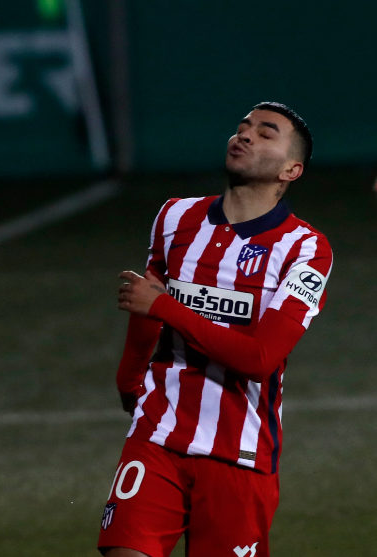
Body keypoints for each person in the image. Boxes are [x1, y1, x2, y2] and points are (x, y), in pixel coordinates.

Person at [97, 102, 333, 557]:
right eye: (243, 126)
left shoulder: (306, 249)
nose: (244, 135)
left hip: (239, 454)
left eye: (266, 133)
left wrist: (166, 306)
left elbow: (260, 358)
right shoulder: (174, 217)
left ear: (292, 170)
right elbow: (145, 305)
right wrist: (129, 379)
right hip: (157, 436)